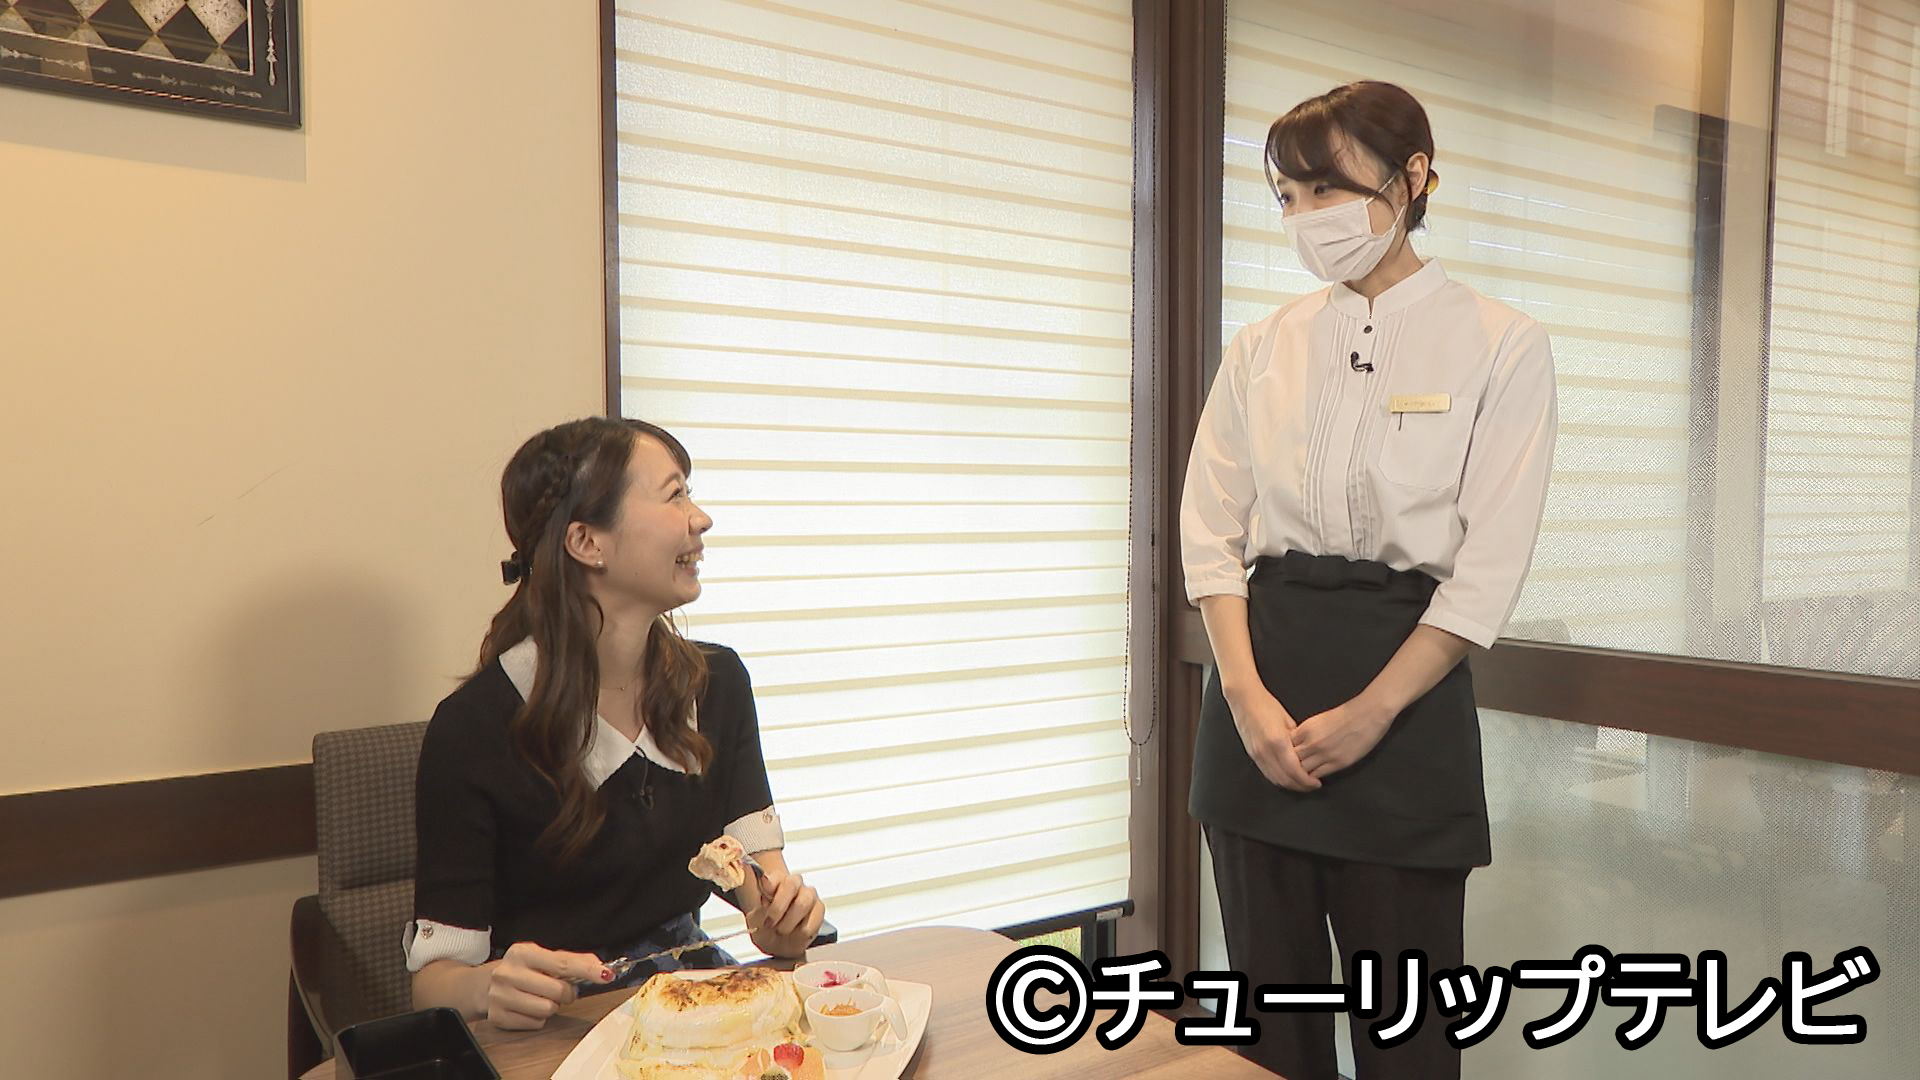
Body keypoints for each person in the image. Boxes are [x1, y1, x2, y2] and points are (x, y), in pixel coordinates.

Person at [1182, 81, 1557, 1078]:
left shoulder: (1502, 343)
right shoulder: (1262, 347)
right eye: (1287, 196)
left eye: (1327, 188)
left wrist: (1372, 712)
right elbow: (1208, 535)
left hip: (1405, 706)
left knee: (1409, 1039)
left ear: (1412, 177)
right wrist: (1246, 700)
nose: (1307, 216)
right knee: (1268, 1034)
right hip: (1257, 700)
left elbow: (1487, 570)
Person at [406, 417, 827, 1030]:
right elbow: (433, 985)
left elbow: (762, 887)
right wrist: (485, 985)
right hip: (555, 1024)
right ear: (587, 542)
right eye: (674, 494)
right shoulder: (472, 729)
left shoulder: (718, 684)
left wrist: (783, 921)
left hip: (690, 1001)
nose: (701, 519)